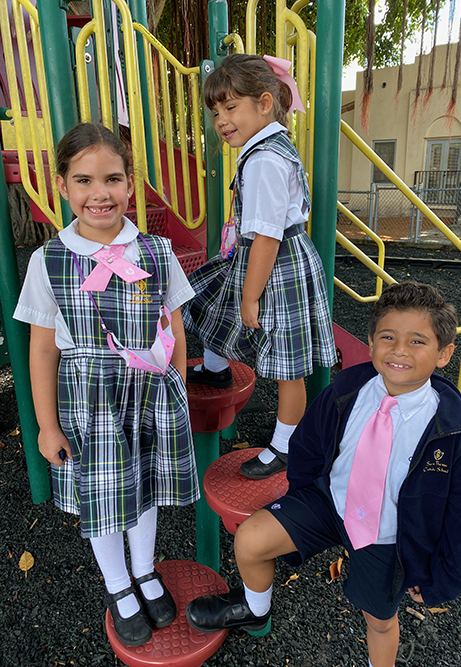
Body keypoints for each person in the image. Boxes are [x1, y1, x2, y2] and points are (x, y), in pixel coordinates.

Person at [185, 282, 461, 667]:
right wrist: (300, 493)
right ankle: (254, 606)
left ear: (444, 354)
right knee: (250, 539)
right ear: (371, 341)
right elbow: (309, 444)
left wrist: (443, 577)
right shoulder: (345, 391)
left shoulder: (454, 433)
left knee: (379, 620)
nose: (398, 350)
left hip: (387, 533)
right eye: (388, 337)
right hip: (331, 502)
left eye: (417, 342)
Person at [14, 123, 199, 648]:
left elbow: (174, 327)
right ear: (63, 186)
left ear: (131, 183)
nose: (100, 193)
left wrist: (177, 389)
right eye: (84, 180)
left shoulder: (157, 251)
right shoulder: (48, 260)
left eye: (113, 179)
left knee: (143, 489)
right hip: (90, 402)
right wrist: (47, 426)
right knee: (102, 496)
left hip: (149, 396)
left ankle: (143, 571)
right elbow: (44, 349)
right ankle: (118, 585)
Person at [183, 53, 336, 479]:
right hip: (266, 255)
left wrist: (251, 295)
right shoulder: (265, 149)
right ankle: (215, 371)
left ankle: (286, 446)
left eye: (231, 107)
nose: (222, 120)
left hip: (276, 262)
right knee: (208, 297)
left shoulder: (265, 159)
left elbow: (267, 235)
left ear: (265, 102)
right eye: (216, 112)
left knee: (289, 367)